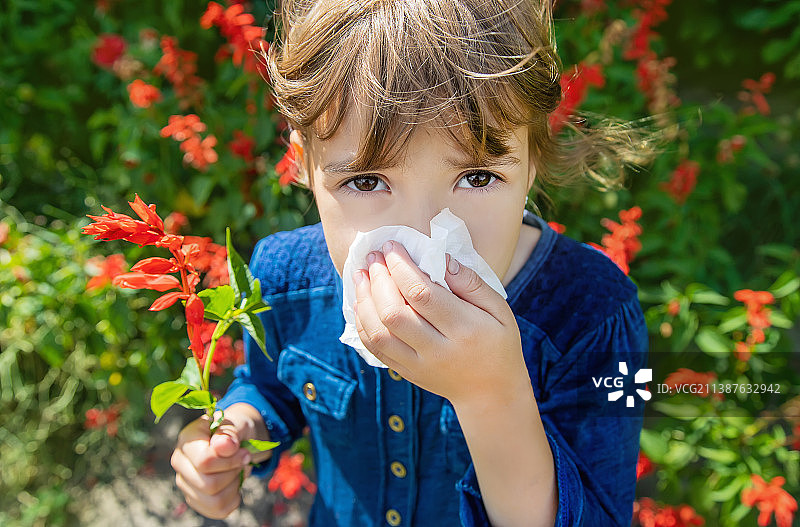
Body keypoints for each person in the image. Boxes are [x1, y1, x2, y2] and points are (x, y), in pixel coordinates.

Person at [169, 1, 651, 525]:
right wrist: (239, 434)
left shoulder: (601, 313)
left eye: (477, 177)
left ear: (532, 159)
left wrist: (490, 393)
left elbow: (605, 510)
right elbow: (269, 386)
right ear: (302, 162)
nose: (423, 237)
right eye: (368, 182)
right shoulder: (282, 277)